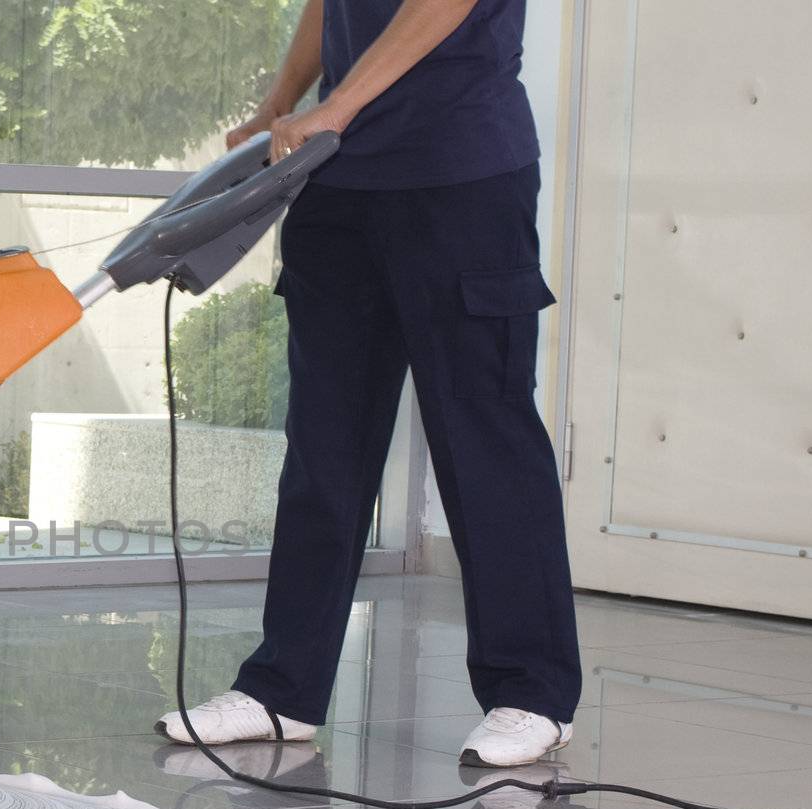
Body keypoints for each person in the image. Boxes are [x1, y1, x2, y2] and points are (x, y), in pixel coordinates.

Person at [156, 0, 581, 768]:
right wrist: (279, 104)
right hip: (338, 181)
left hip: (461, 172)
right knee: (325, 444)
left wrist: (340, 104)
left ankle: (534, 694)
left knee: (483, 437)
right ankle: (283, 688)